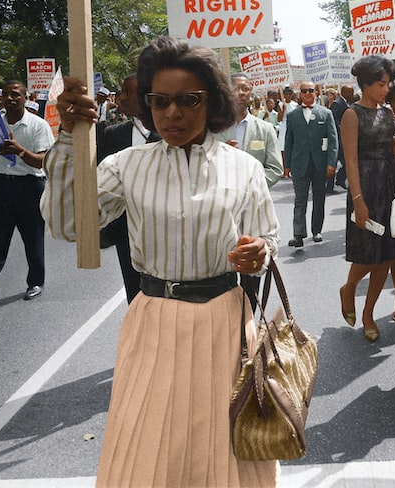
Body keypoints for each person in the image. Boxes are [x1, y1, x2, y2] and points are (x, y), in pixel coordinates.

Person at [43, 36, 278, 487]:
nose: (172, 113)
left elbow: (267, 239)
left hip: (225, 324)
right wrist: (69, 140)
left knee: (223, 448)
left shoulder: (242, 167)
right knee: (148, 446)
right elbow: (68, 224)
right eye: (159, 100)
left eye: (188, 100)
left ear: (212, 102)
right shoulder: (126, 164)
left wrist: (259, 254)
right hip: (153, 320)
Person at [0, 79, 55, 317]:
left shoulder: (38, 125)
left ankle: (36, 281)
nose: (11, 98)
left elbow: (44, 161)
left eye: (16, 94)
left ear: (25, 97)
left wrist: (20, 151)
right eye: (6, 95)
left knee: (33, 240)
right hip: (1, 187)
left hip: (30, 187)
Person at [339, 56, 395, 339]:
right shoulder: (351, 114)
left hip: (390, 185)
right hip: (365, 187)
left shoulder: (388, 113)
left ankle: (368, 313)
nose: (387, 89)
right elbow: (352, 161)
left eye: (387, 83)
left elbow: (390, 151)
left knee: (387, 255)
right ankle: (349, 289)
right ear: (366, 84)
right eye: (382, 84)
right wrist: (358, 201)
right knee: (368, 255)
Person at [96, 73, 158, 304]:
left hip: (162, 229)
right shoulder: (112, 134)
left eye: (126, 91)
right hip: (126, 230)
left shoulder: (170, 134)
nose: (120, 97)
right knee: (136, 296)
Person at [283, 80, 338, 246]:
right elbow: (289, 141)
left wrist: (331, 163)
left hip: (320, 164)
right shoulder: (292, 116)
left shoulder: (325, 113)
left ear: (316, 92)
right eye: (304, 91)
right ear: (300, 94)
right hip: (299, 163)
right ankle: (298, 234)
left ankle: (317, 231)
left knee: (319, 198)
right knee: (300, 199)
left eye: (311, 90)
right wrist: (287, 165)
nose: (307, 93)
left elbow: (333, 140)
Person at [215, 72, 283, 188]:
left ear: (250, 93)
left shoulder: (265, 129)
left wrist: (251, 186)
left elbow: (275, 169)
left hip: (254, 199)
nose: (241, 93)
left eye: (245, 89)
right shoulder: (213, 129)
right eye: (235, 88)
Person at [328, 83, 350, 191]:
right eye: (350, 92)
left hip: (342, 137)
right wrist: (341, 127)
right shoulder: (338, 103)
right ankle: (331, 185)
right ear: (344, 92)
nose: (352, 94)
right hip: (337, 137)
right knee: (336, 161)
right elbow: (332, 120)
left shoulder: (344, 102)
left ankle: (339, 180)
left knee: (344, 161)